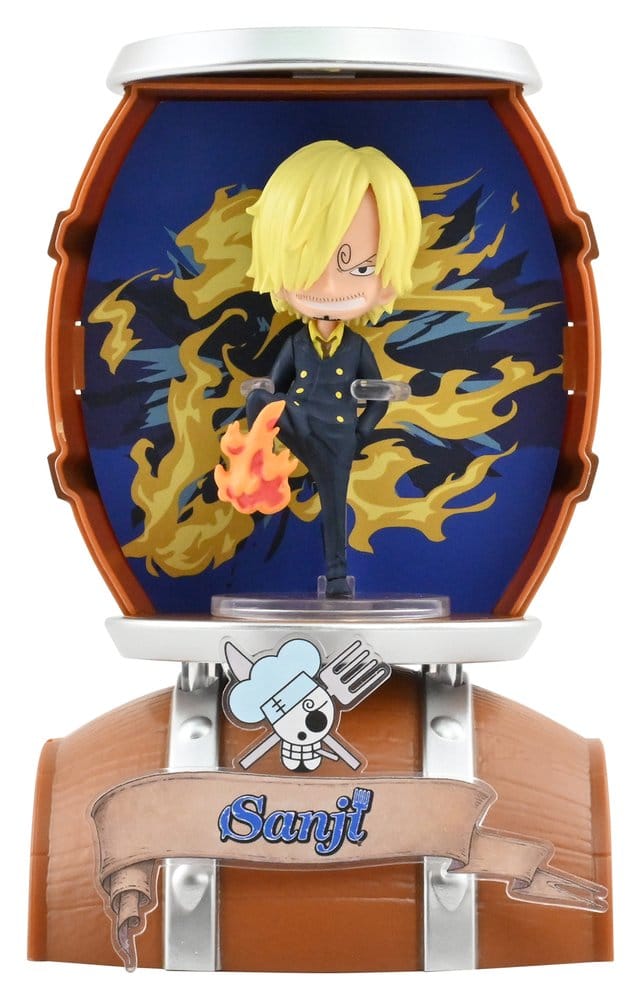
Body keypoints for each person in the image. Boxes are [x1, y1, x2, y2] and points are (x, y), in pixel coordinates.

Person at [245, 140, 421, 597]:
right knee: (259, 400)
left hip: (338, 437)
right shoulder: (296, 342)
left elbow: (378, 394)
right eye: (307, 265)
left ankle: (337, 575)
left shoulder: (357, 346)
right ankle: (256, 466)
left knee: (333, 502)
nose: (327, 286)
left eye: (360, 269)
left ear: (385, 282)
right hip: (299, 423)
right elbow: (274, 387)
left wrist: (361, 432)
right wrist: (265, 420)